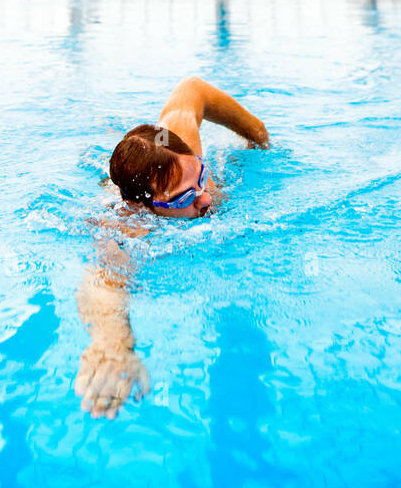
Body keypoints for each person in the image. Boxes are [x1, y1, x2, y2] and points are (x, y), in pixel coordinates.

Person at [75, 78, 269, 419]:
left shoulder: (176, 147)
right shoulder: (130, 226)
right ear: (146, 208)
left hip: (152, 153)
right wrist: (112, 344)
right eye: (183, 196)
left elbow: (191, 90)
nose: (205, 197)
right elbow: (105, 281)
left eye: (201, 177)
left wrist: (259, 136)